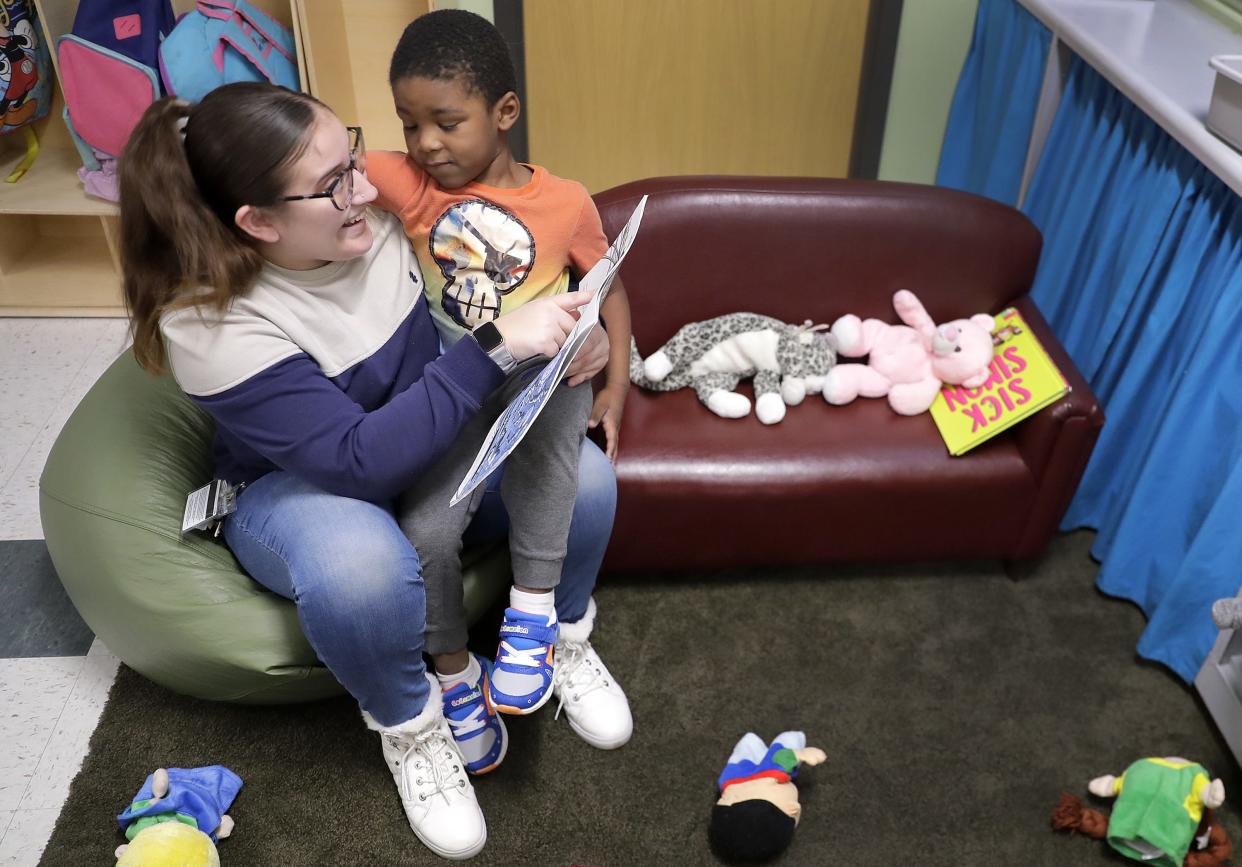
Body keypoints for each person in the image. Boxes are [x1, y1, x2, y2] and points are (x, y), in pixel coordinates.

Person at [119, 82, 618, 861]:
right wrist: (495, 346)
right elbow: (355, 460)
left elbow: (480, 291)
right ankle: (412, 721)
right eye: (332, 185)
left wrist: (571, 342)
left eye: (352, 159)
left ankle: (556, 633)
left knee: (584, 483)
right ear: (258, 221)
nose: (363, 187)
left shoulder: (376, 215)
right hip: (303, 484)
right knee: (363, 566)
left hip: (430, 448)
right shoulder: (211, 322)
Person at [365, 7, 634, 774]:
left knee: (557, 406)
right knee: (424, 528)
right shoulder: (412, 186)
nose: (424, 144)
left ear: (505, 113)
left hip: (549, 373)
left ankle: (535, 617)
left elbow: (611, 286)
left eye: (446, 122)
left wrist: (616, 381)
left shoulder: (565, 201)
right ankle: (454, 673)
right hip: (457, 387)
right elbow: (321, 165)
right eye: (409, 124)